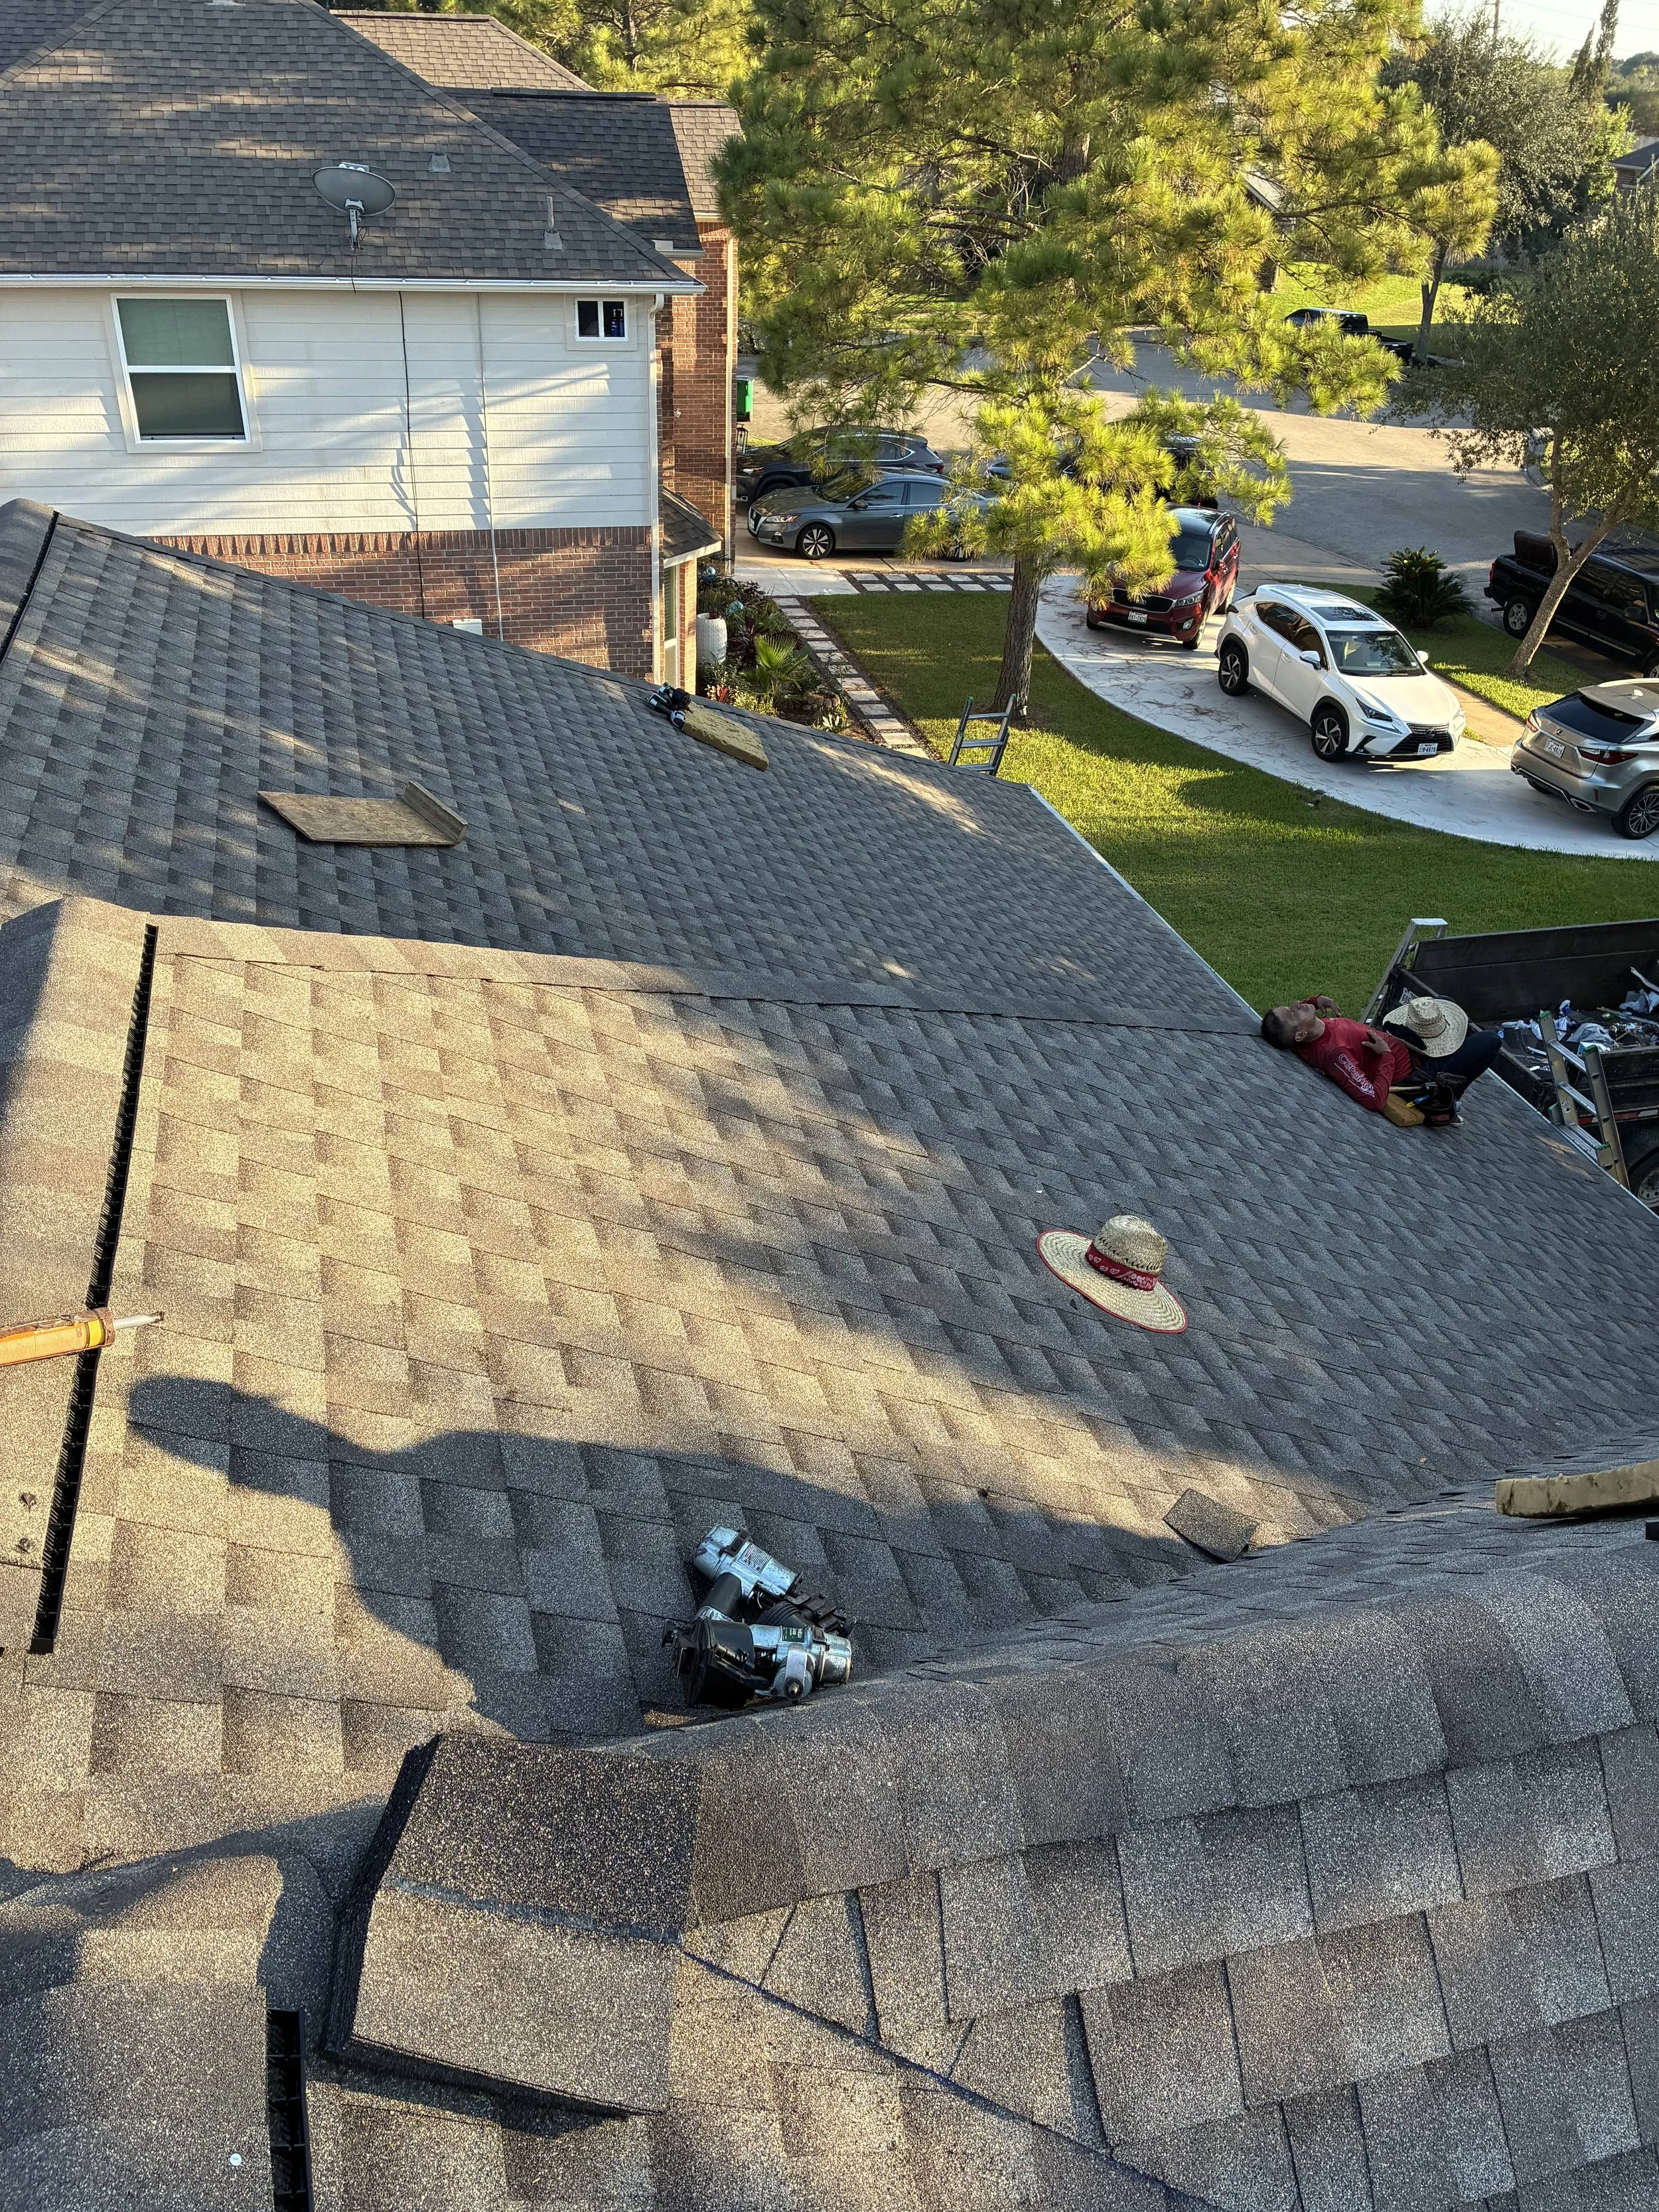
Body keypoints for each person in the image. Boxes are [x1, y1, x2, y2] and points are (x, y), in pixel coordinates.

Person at [1260, 992, 1501, 1126]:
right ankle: (1451, 1098)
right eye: (1292, 1012)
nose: (1295, 1004)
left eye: (1289, 1005)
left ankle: (1456, 1043)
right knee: (1490, 1042)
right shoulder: (1336, 1055)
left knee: (1443, 1001)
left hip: (1409, 1045)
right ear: (1301, 1034)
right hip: (1419, 1071)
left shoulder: (1309, 1032)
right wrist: (1386, 1055)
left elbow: (1299, 1022)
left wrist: (1316, 1000)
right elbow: (1374, 1099)